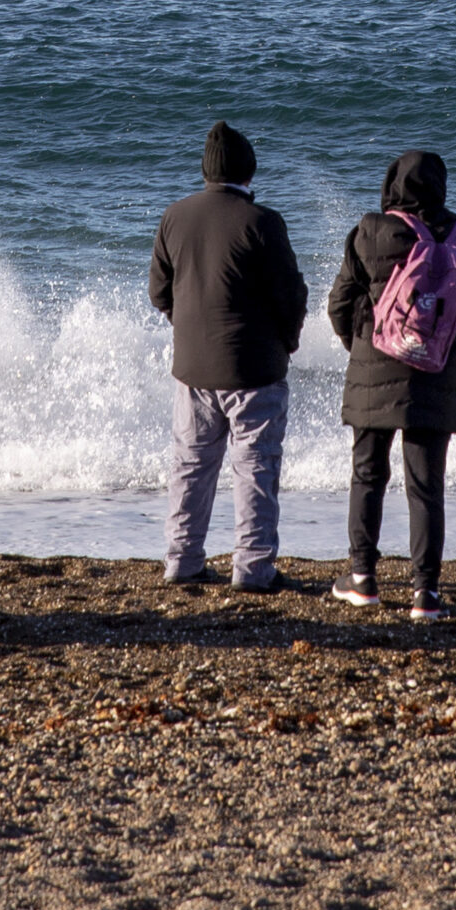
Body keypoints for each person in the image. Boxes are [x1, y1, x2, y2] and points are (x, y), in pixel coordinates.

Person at [325, 151, 456, 622]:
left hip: (372, 374)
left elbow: (339, 303)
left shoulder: (369, 232)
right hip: (434, 379)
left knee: (367, 475)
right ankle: (426, 593)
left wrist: (362, 348)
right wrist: (445, 356)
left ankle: (362, 579)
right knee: (426, 487)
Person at [148, 122, 309, 592]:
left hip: (192, 368)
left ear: (205, 171)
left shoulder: (175, 217)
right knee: (255, 467)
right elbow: (291, 297)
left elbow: (159, 292)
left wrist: (190, 329)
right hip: (254, 369)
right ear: (249, 170)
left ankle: (182, 559)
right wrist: (288, 341)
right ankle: (254, 569)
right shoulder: (262, 222)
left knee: (191, 466)